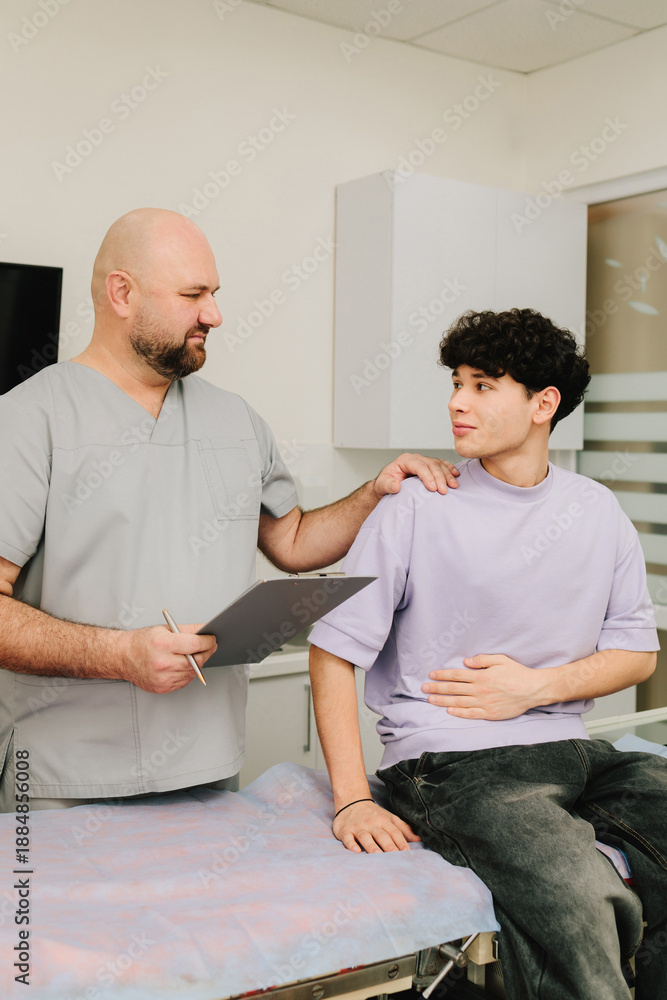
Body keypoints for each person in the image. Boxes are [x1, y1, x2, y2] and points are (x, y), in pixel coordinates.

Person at [0, 207, 460, 813]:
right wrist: (119, 656)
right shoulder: (27, 420)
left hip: (207, 764)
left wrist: (376, 492)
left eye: (214, 295)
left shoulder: (236, 419)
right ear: (122, 294)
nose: (214, 315)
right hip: (60, 775)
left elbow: (293, 541)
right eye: (193, 295)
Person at [308, 307, 667, 1000]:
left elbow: (635, 654)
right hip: (453, 765)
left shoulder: (596, 511)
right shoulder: (417, 506)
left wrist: (534, 688)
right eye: (456, 383)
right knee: (581, 898)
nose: (457, 402)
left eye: (482, 385)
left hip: (574, 749)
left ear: (543, 403)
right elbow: (332, 651)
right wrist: (352, 800)